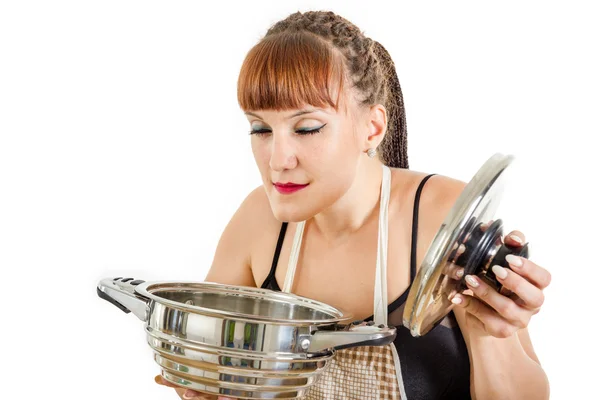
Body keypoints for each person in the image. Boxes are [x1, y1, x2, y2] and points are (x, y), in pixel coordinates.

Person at [155, 10, 551, 400]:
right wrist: (204, 383)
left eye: (307, 128)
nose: (277, 159)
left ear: (372, 128)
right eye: (261, 128)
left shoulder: (441, 218)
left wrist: (487, 329)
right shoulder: (258, 222)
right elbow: (212, 355)